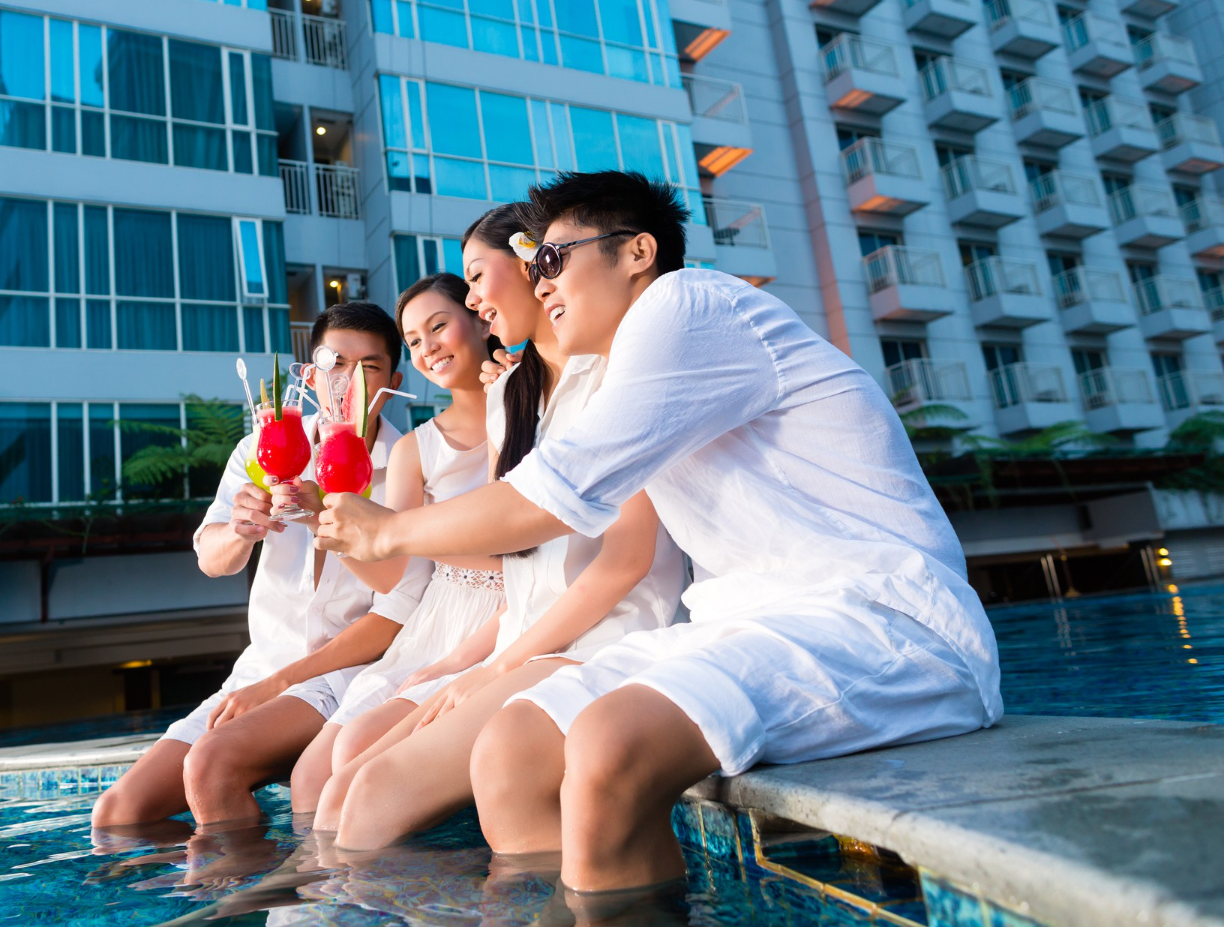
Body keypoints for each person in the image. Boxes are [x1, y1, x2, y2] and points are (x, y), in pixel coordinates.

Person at [314, 171, 1003, 893]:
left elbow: (556, 499)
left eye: (552, 260)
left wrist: (389, 532)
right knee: (510, 749)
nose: (539, 281)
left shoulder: (688, 304)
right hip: (742, 623)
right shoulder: (617, 368)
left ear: (638, 252)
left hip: (886, 620)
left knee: (610, 742)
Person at [308, 205, 685, 847]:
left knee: (372, 794)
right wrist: (466, 660)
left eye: (479, 277)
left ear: (536, 261)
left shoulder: (618, 375)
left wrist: (493, 666)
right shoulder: (511, 400)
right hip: (524, 640)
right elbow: (522, 564)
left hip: (597, 639)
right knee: (341, 789)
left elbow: (624, 562)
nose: (476, 297)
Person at [92, 302, 431, 830]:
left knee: (210, 766)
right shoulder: (265, 447)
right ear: (310, 374)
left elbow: (403, 612)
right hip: (262, 665)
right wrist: (241, 529)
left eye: (369, 367)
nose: (348, 381)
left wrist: (277, 687)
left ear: (394, 380)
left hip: (350, 673)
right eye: (335, 363)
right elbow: (213, 560)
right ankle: (222, 895)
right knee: (118, 815)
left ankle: (273, 899)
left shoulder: (413, 463)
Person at [284, 273, 506, 814]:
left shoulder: (529, 408)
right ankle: (325, 899)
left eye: (439, 326)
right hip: (440, 616)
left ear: (481, 316)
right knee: (309, 777)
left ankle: (380, 888)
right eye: (414, 339)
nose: (429, 346)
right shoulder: (414, 449)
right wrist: (329, 525)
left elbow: (517, 544)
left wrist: (400, 531)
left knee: (356, 756)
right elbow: (400, 575)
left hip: (504, 612)